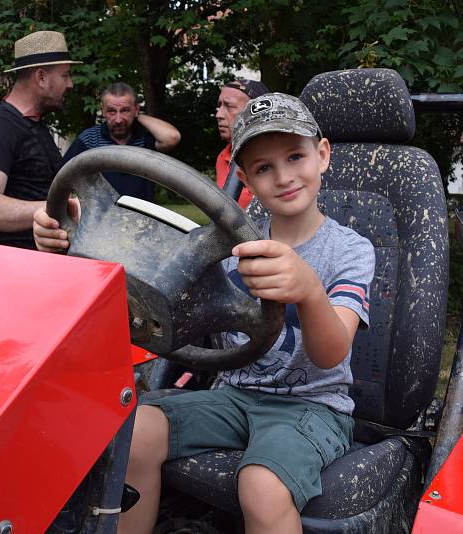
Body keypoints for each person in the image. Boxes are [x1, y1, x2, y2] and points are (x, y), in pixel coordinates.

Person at [33, 93, 375, 533]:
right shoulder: (223, 246)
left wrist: (309, 291)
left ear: (322, 154)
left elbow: (331, 354)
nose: (284, 176)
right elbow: (144, 299)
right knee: (131, 434)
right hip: (231, 394)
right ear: (244, 175)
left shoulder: (349, 250)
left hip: (313, 406)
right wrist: (70, 239)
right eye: (264, 167)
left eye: (295, 156)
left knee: (262, 486)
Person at [0, 30, 79, 249]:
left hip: (44, 267)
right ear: (41, 77)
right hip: (18, 271)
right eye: (65, 75)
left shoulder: (35, 124)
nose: (70, 84)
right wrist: (62, 208)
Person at [62, 82, 181, 202]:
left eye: (125, 110)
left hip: (141, 217)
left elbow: (172, 137)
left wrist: (137, 115)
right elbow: (62, 176)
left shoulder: (145, 139)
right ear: (103, 111)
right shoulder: (89, 139)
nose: (118, 119)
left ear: (136, 109)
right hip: (100, 218)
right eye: (111, 111)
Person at [215, 78, 269, 208]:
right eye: (219, 105)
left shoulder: (272, 157)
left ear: (256, 112)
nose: (219, 114)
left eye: (229, 106)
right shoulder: (223, 157)